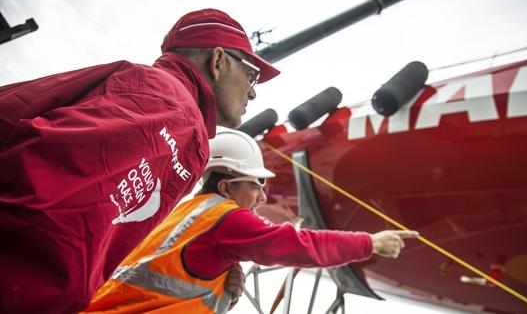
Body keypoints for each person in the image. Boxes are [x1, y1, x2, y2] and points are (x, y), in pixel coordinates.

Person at [0, 9, 279, 313]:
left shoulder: (156, 97)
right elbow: (50, 219)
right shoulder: (171, 109)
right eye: (252, 75)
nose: (253, 93)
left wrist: (215, 266)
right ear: (217, 61)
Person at [82, 128, 419, 313]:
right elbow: (298, 246)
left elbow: (165, 287)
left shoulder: (184, 212)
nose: (262, 197)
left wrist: (223, 297)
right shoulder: (227, 219)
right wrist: (371, 242)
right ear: (227, 186)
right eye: (257, 184)